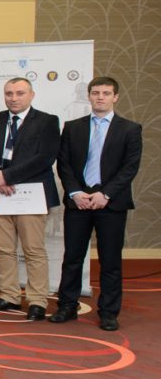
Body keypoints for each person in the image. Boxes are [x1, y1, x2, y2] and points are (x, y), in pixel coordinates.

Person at [51, 77, 142, 331]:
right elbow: (64, 163)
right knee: (72, 258)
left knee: (110, 261)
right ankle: (67, 306)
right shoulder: (72, 127)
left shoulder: (130, 129)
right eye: (95, 92)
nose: (100, 97)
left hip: (111, 204)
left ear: (115, 97)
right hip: (78, 202)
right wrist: (75, 192)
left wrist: (106, 194)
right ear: (89, 96)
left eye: (106, 93)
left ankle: (109, 312)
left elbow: (130, 167)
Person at [0, 78, 60, 320]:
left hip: (30, 195)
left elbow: (45, 157)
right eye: (9, 93)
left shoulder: (47, 121)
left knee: (33, 249)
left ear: (31, 95)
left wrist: (8, 176)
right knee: (3, 249)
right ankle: (9, 295)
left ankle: (37, 300)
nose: (13, 98)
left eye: (20, 93)